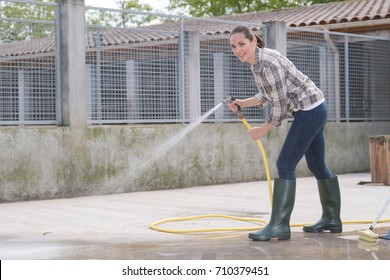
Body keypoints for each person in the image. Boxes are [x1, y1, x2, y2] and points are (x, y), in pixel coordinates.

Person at [227, 25, 342, 241]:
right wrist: (244, 102)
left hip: (310, 110)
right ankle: (332, 219)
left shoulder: (268, 63)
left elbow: (280, 107)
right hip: (314, 107)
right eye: (233, 46)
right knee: (317, 165)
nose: (238, 50)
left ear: (253, 42)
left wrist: (263, 130)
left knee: (285, 164)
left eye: (241, 44)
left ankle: (280, 225)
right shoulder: (256, 63)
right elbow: (267, 95)